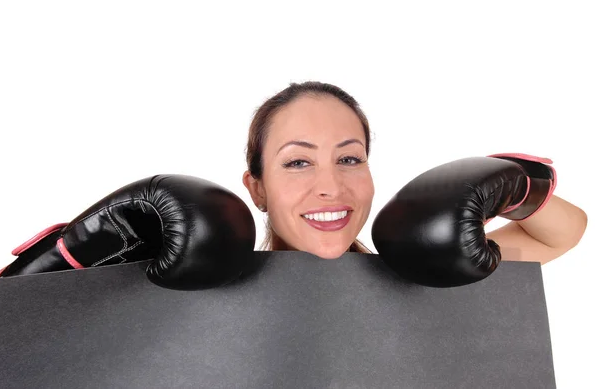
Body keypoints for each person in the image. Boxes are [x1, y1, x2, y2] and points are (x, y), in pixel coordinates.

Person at [242, 81, 588, 264]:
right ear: (257, 189)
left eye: (349, 159)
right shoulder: (209, 296)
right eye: (298, 162)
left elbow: (560, 234)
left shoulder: (419, 276)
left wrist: (516, 187)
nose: (330, 187)